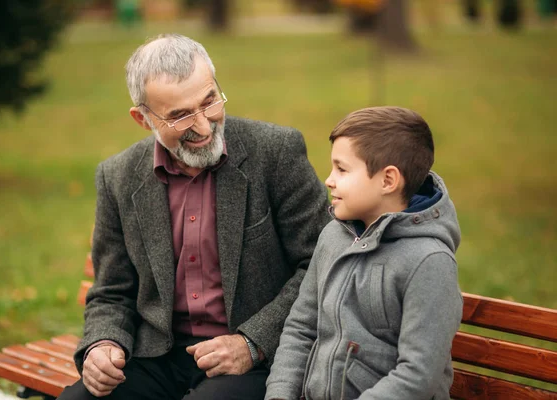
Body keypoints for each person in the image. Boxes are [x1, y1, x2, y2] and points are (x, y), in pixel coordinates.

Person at [58, 33, 330, 400]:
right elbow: (111, 291)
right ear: (143, 119)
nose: (203, 126)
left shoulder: (276, 153)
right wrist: (102, 344)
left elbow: (320, 263)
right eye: (181, 115)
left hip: (258, 358)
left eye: (209, 101)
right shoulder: (118, 176)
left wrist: (252, 342)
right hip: (157, 355)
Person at [265, 106, 463, 400]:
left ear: (387, 181)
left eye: (342, 169)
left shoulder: (428, 262)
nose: (329, 180)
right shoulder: (333, 236)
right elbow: (301, 329)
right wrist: (280, 395)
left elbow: (417, 376)